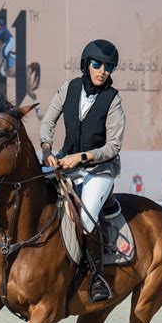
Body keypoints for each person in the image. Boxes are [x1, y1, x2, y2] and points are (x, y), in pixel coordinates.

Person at [40, 39, 126, 302]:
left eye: (108, 67)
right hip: (66, 164)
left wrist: (82, 157)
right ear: (86, 63)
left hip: (99, 171)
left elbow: (113, 146)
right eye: (97, 64)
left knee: (86, 220)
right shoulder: (69, 88)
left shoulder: (113, 100)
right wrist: (47, 151)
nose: (102, 70)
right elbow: (48, 122)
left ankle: (95, 277)